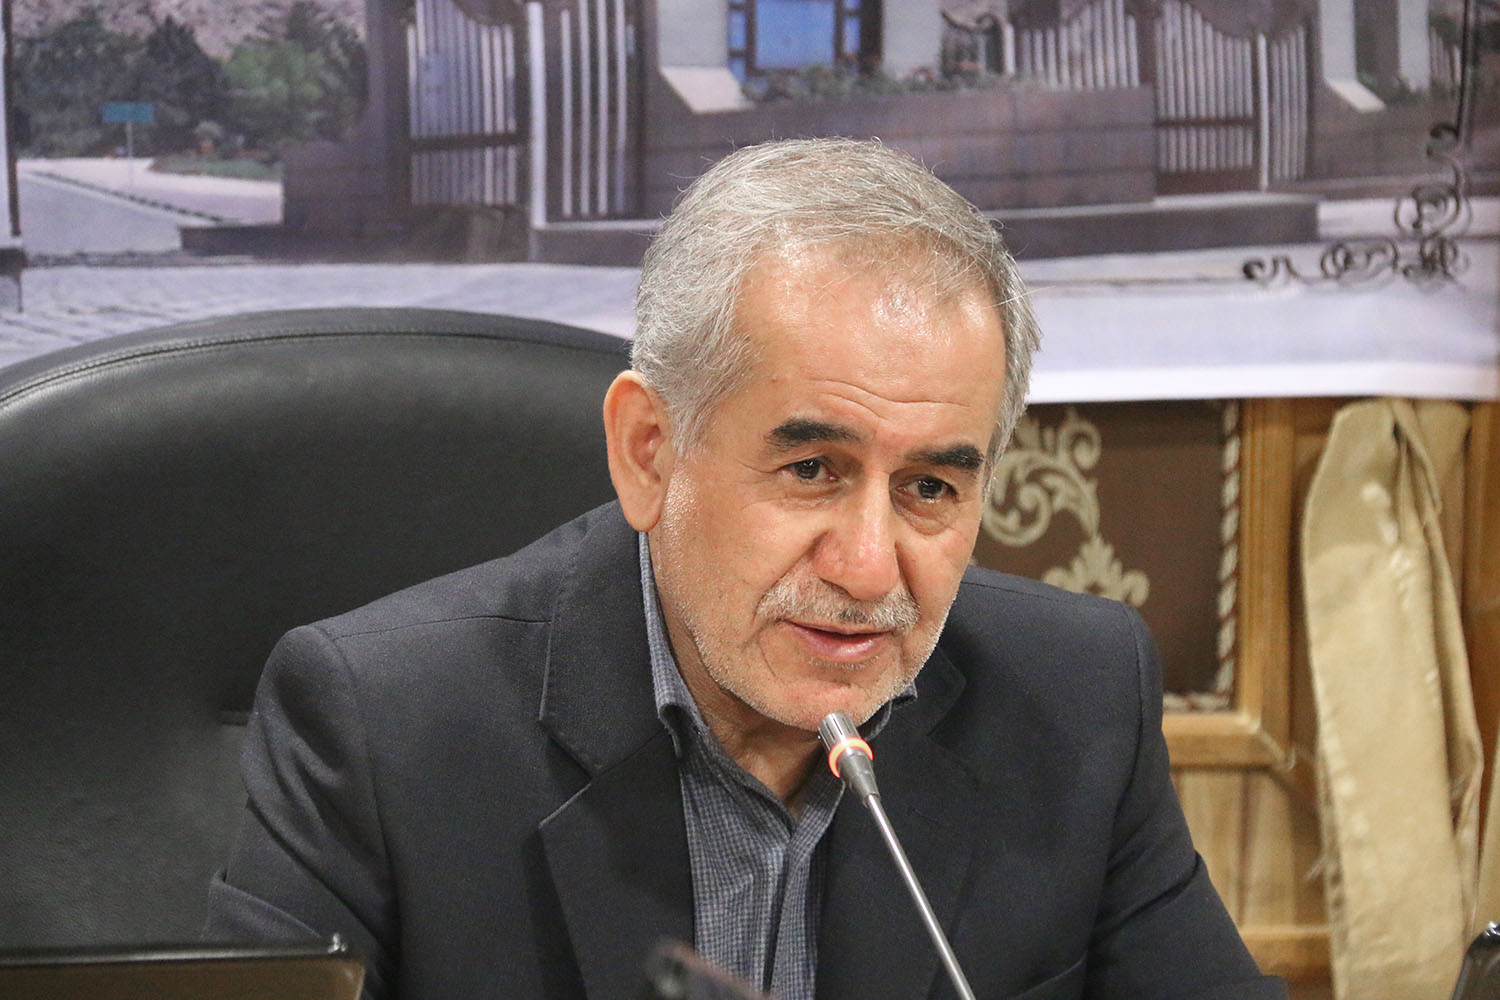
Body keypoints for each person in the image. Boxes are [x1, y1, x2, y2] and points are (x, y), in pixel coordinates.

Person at [205, 138, 1285, 1000]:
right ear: (649, 453)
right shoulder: (382, 728)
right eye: (812, 469)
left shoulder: (1077, 700)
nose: (869, 568)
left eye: (929, 487)